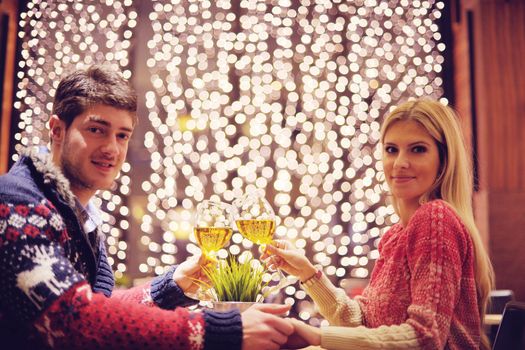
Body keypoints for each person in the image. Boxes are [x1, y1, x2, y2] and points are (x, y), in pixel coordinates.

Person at [0, 65, 293, 350]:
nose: (112, 149)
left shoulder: (79, 214)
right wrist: (218, 332)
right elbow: (73, 320)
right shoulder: (16, 202)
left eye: (122, 135)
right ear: (57, 130)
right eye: (96, 130)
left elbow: (101, 307)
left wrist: (172, 287)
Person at [266, 99, 494, 349]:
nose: (399, 163)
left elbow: (425, 337)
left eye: (417, 149)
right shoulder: (397, 234)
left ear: (444, 159)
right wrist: (307, 273)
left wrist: (318, 337)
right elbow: (360, 321)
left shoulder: (435, 219)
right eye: (391, 150)